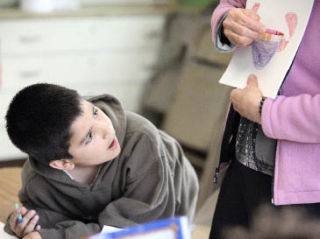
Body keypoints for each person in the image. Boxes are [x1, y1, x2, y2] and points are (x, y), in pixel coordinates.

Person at [4, 83, 199, 239]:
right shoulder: (36, 180)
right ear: (63, 163)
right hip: (104, 216)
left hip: (165, 199)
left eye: (95, 112)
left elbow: (136, 227)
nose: (106, 129)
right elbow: (47, 214)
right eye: (89, 137)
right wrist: (26, 223)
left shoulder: (142, 141)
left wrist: (53, 236)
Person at [209, 0, 320, 238]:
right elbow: (231, 5)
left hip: (306, 192)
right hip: (242, 160)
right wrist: (227, 21)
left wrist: (266, 111)